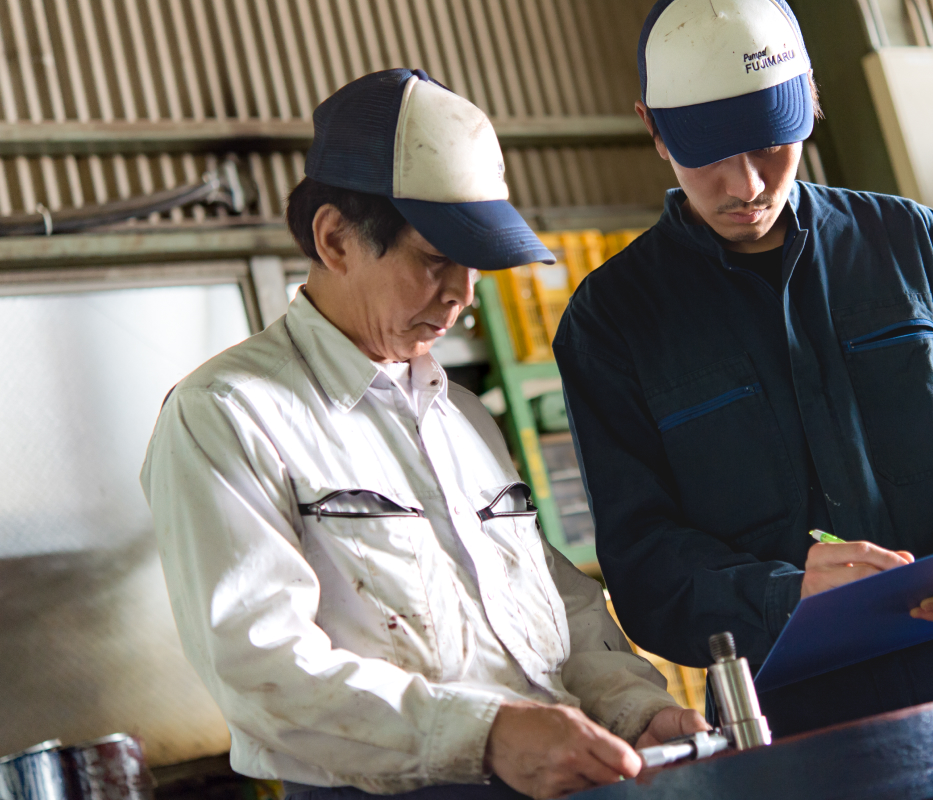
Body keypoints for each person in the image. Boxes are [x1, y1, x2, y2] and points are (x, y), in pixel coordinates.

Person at [552, 1, 933, 797]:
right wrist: (785, 595)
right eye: (709, 152)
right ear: (654, 128)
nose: (745, 184)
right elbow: (643, 564)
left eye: (772, 143)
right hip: (800, 743)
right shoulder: (614, 324)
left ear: (807, 98)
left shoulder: (909, 246)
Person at [141, 68, 705, 800]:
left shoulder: (459, 415)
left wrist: (638, 710)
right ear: (336, 240)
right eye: (436, 260)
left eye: (474, 267)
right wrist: (488, 734)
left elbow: (555, 603)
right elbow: (264, 670)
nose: (462, 296)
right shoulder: (227, 416)